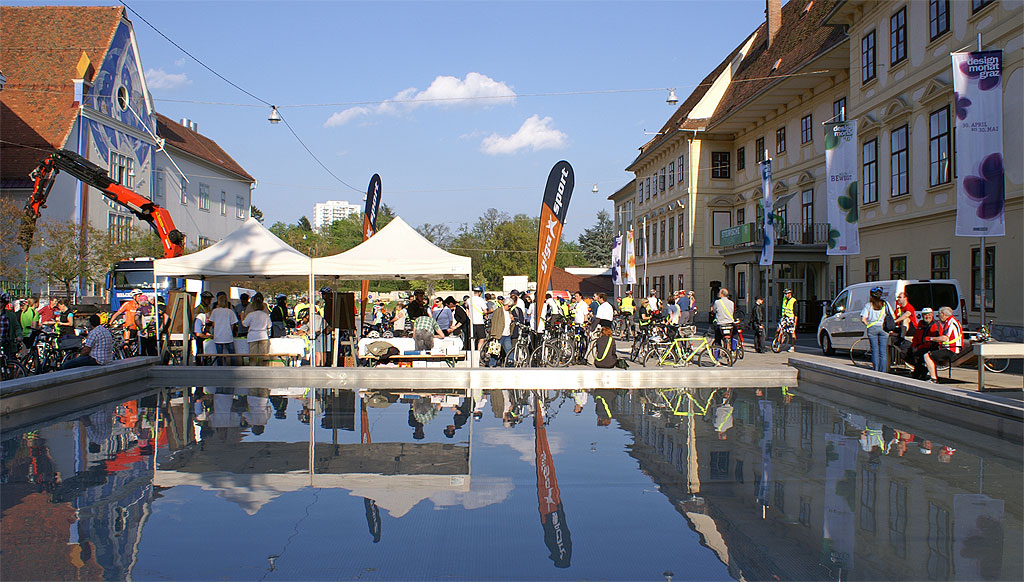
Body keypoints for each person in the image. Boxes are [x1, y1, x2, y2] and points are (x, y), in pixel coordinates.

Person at [923, 306, 963, 383]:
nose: (938, 316)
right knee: (932, 354)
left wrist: (931, 338)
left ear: (943, 314)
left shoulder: (951, 322)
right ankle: (934, 375)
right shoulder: (951, 321)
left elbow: (945, 338)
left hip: (952, 349)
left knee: (927, 355)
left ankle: (933, 379)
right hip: (949, 348)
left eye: (939, 314)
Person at [860, 286, 890, 373]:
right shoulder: (885, 304)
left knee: (875, 350)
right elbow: (892, 316)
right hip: (883, 328)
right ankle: (883, 371)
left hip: (872, 328)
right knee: (883, 351)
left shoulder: (868, 305)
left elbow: (863, 319)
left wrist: (868, 325)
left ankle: (876, 370)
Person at [907, 308, 941, 380]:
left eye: (929, 314)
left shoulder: (935, 325)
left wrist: (918, 348)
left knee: (918, 355)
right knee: (906, 353)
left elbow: (932, 341)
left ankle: (919, 373)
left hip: (931, 347)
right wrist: (914, 346)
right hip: (920, 346)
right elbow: (916, 337)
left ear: (932, 315)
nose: (927, 316)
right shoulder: (920, 324)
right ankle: (922, 370)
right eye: (925, 315)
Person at [208, 294, 239, 365]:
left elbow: (213, 323)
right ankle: (233, 367)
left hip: (218, 335)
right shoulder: (230, 311)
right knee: (232, 354)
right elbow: (233, 324)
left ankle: (220, 368)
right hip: (228, 335)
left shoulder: (215, 311)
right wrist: (230, 331)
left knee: (219, 355)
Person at [243, 293, 272, 366]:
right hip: (263, 335)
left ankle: (252, 369)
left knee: (253, 356)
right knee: (263, 356)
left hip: (252, 336)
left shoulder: (250, 315)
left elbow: (245, 324)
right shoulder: (265, 315)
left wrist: (241, 317)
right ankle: (263, 369)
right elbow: (270, 325)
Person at [485, 298, 512, 367]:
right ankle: (492, 363)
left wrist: (512, 319)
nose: (510, 307)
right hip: (499, 333)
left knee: (509, 349)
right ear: (505, 304)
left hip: (507, 334)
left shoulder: (509, 312)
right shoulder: (498, 311)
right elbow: (494, 321)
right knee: (495, 350)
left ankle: (510, 362)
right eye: (509, 306)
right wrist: (493, 334)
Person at [1, 292, 22, 358]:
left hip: (7, 343)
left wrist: (19, 335)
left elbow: (16, 327)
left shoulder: (10, 315)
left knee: (9, 362)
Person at [469, 286, 488, 350]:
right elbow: (485, 311)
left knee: (472, 338)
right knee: (482, 338)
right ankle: (479, 351)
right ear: (480, 293)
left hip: (471, 322)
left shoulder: (469, 300)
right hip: (479, 321)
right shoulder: (481, 300)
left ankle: (472, 350)